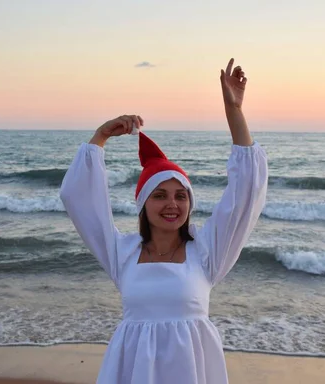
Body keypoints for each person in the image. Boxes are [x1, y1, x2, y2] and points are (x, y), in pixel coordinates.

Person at [60, 58, 268, 384]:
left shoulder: (207, 253)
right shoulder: (122, 253)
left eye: (180, 195)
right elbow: (80, 200)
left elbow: (246, 194)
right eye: (159, 195)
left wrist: (234, 112)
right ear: (143, 204)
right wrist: (100, 136)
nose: (172, 204)